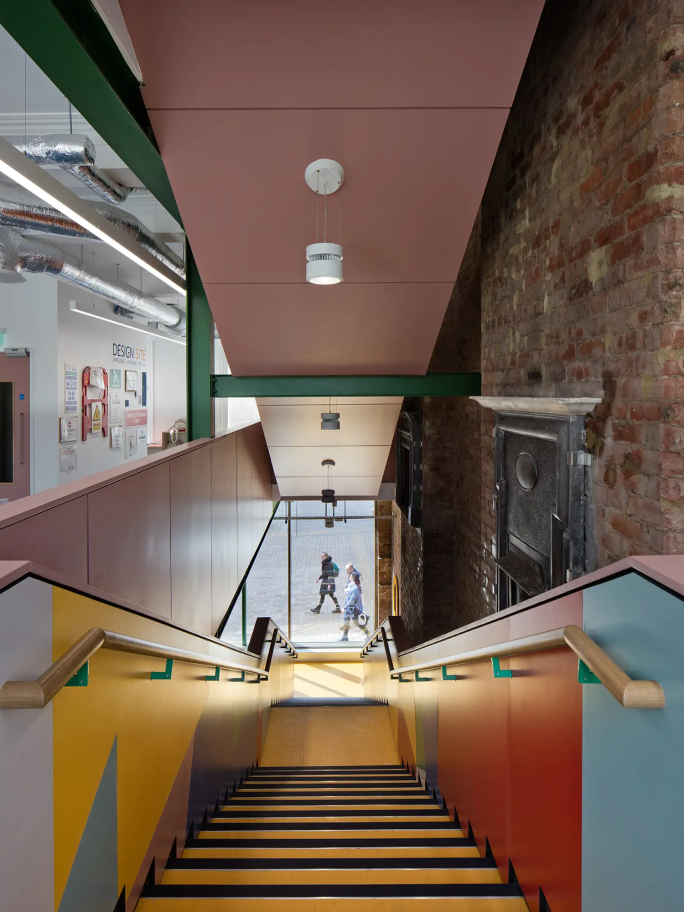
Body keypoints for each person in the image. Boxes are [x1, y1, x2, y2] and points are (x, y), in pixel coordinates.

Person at [340, 564, 368, 634]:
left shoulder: (355, 588)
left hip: (352, 607)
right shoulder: (351, 584)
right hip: (349, 607)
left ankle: (368, 633)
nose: (349, 577)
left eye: (351, 577)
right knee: (347, 621)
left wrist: (345, 607)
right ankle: (344, 637)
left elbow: (352, 600)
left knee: (356, 623)